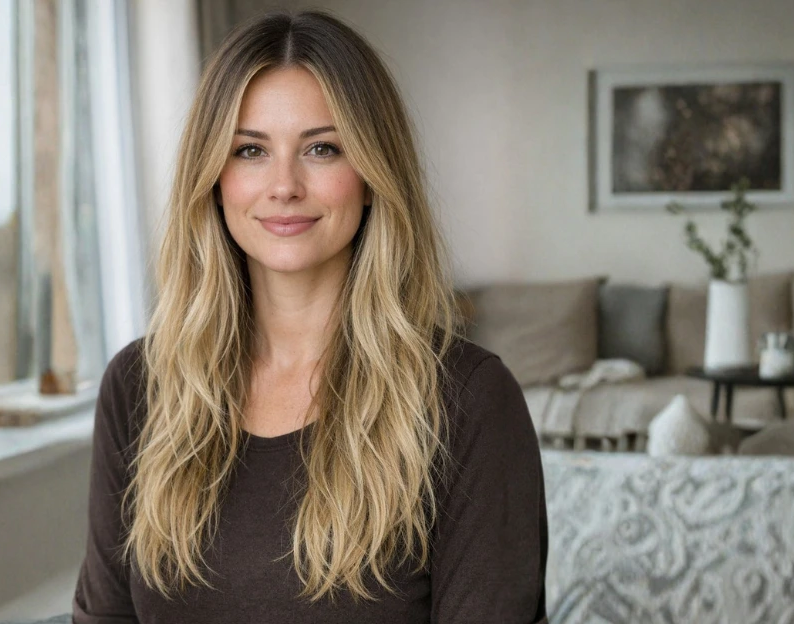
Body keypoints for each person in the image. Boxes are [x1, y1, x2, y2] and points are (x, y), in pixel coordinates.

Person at [72, 10, 547, 624]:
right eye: (250, 151)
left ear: (374, 176)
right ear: (215, 179)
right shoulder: (140, 385)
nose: (284, 185)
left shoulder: (469, 401)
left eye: (322, 149)